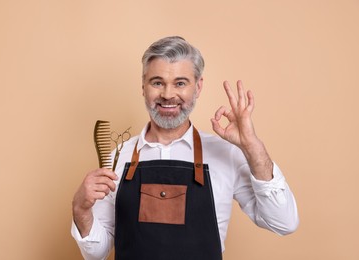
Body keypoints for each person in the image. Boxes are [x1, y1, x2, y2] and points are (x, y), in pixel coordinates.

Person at [71, 36, 299, 260]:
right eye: (157, 82)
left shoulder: (225, 153)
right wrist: (81, 210)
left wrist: (252, 146)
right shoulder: (119, 157)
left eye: (180, 83)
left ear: (198, 87)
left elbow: (284, 222)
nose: (168, 95)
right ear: (143, 86)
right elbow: (97, 253)